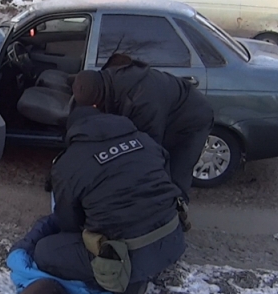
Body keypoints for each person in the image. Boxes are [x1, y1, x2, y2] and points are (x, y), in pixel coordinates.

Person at [9, 106, 186, 294]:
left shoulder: (70, 163)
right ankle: (138, 267)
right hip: (173, 239)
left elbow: (68, 223)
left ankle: (124, 288)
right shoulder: (145, 140)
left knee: (47, 251)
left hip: (128, 255)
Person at [71, 54, 214, 206]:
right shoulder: (107, 80)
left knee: (175, 174)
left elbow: (149, 152)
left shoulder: (141, 102)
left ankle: (175, 218)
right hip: (167, 112)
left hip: (192, 120)